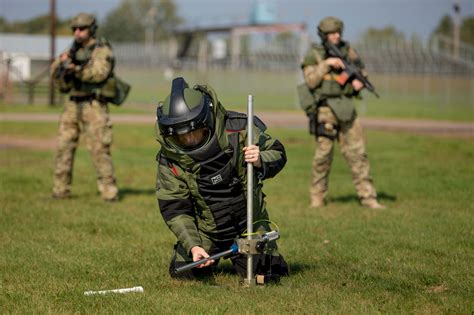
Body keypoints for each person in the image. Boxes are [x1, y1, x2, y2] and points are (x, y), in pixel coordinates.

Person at [155, 77, 289, 283]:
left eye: (195, 132)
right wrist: (193, 245)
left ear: (206, 120)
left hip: (249, 225)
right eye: (182, 136)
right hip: (207, 232)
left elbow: (278, 153)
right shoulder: (169, 158)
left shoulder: (239, 129)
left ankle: (250, 255)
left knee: (268, 273)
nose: (189, 140)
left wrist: (261, 159)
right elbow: (175, 208)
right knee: (184, 273)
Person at [299, 16, 385, 209]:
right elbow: (311, 81)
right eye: (332, 33)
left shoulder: (348, 51)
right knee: (323, 155)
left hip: (346, 108)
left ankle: (368, 197)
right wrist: (327, 64)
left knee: (358, 154)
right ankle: (317, 197)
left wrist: (359, 82)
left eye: (338, 32)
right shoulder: (315, 54)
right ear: (324, 35)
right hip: (325, 109)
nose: (336, 36)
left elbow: (361, 71)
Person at [51, 13, 119, 201]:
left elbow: (99, 74)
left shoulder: (102, 50)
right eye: (75, 29)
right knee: (63, 147)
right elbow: (55, 73)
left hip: (94, 105)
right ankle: (60, 191)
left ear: (92, 29)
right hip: (72, 105)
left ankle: (109, 193)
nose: (77, 33)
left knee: (99, 149)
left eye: (82, 29)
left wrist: (77, 69)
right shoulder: (71, 51)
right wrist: (61, 64)